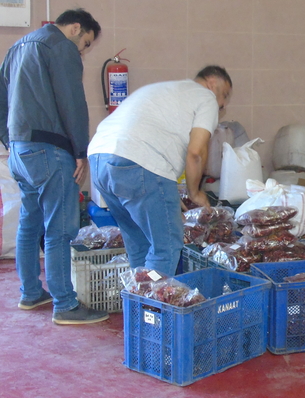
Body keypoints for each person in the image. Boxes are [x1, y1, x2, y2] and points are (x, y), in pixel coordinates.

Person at [0, 9, 109, 324]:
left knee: (29, 224)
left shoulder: (18, 46)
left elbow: (1, 97)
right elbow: (72, 101)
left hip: (20, 151)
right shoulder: (60, 46)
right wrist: (80, 150)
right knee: (60, 230)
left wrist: (10, 141)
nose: (82, 51)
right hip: (50, 150)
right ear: (75, 28)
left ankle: (31, 293)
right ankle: (65, 304)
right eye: (85, 43)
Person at [88, 66, 232, 277]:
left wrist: (168, 193)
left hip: (99, 159)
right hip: (140, 161)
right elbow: (196, 152)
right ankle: (152, 306)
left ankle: (137, 303)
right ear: (211, 83)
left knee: (139, 242)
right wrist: (195, 193)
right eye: (225, 95)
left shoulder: (164, 89)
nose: (223, 104)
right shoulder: (206, 97)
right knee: (166, 246)